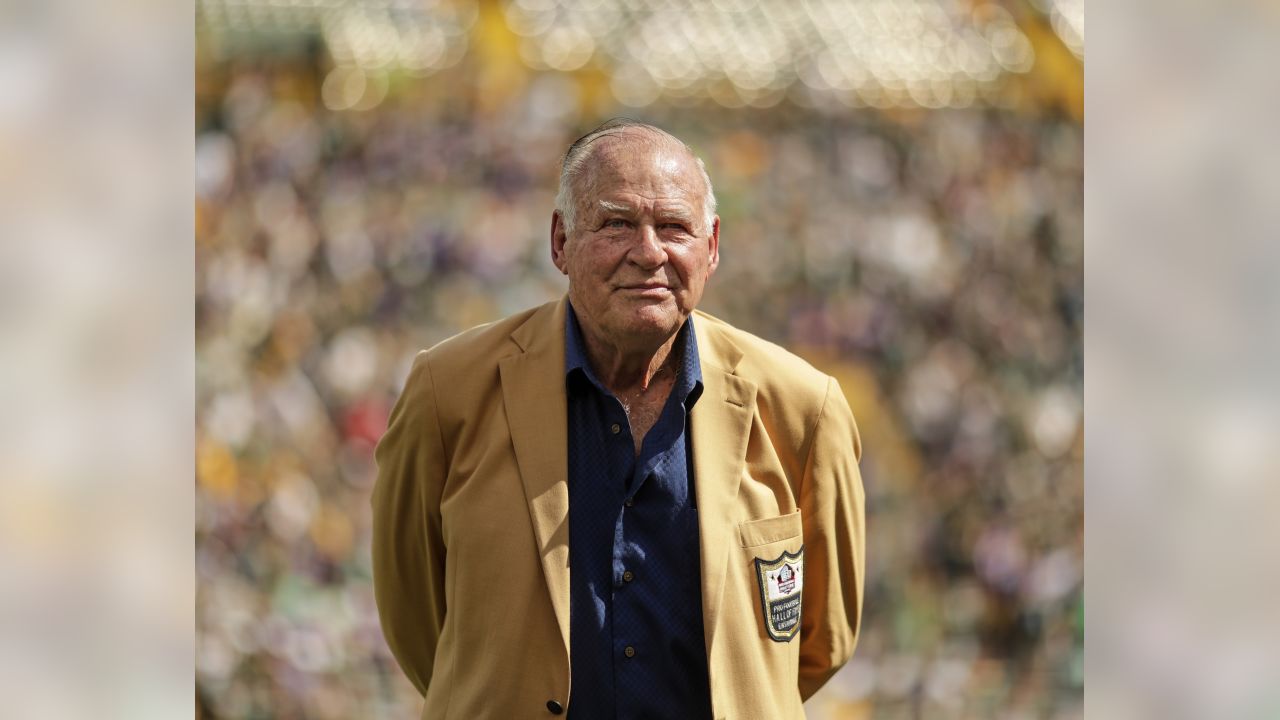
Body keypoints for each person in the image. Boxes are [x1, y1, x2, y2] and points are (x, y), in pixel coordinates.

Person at [371, 118, 866, 719]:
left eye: (675, 228)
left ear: (711, 247)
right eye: (616, 223)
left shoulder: (802, 408)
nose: (649, 251)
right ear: (560, 242)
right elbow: (419, 623)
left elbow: (819, 640)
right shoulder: (448, 391)